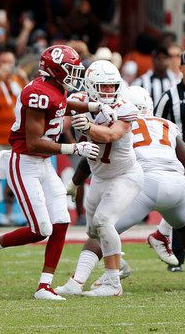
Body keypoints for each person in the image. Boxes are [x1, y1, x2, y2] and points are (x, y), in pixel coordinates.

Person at [58, 85, 185, 294]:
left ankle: (78, 281)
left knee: (102, 228)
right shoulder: (165, 124)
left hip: (145, 182)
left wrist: (75, 183)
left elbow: (92, 160)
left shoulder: (118, 122)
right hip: (176, 182)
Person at [0, 45, 98, 300]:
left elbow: (63, 104)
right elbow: (34, 141)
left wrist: (94, 108)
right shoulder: (38, 92)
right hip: (25, 161)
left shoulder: (54, 87)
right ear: (54, 70)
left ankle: (44, 286)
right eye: (69, 69)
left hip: (43, 162)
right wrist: (74, 146)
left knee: (61, 221)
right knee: (41, 229)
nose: (74, 74)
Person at [67, 60, 144, 297]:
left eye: (112, 86)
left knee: (103, 222)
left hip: (125, 175)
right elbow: (59, 103)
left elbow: (112, 134)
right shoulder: (80, 101)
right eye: (103, 86)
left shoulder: (124, 108)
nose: (108, 91)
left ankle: (112, 283)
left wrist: (88, 126)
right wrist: (75, 183)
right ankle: (113, 265)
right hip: (99, 178)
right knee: (93, 232)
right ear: (90, 86)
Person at [149, 48, 185, 270]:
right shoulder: (169, 97)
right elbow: (155, 127)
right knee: (180, 209)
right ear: (180, 68)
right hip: (179, 163)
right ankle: (179, 256)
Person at [0, 49, 25, 225]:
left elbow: (28, 100)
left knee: (12, 177)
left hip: (15, 138)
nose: (6, 65)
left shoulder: (18, 81)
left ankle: (10, 214)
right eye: (3, 61)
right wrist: (0, 81)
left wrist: (23, 79)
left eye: (9, 62)